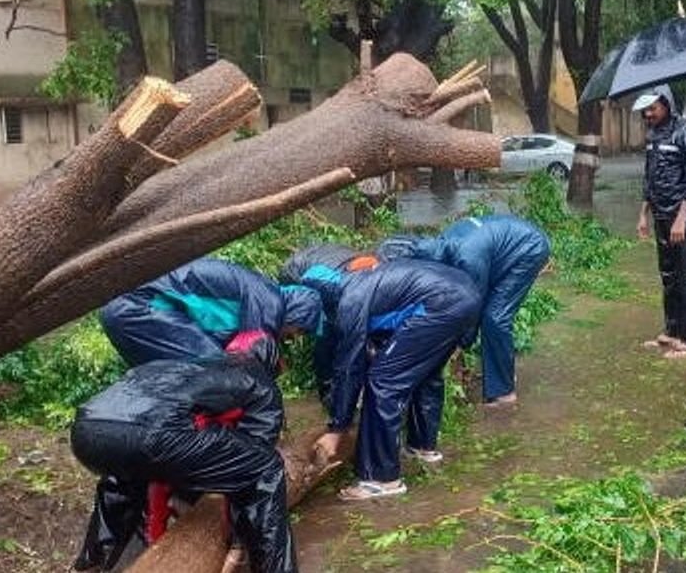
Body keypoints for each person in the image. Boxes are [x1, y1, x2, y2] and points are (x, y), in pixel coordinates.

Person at [70, 336, 295, 572]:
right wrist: (239, 543)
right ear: (271, 361)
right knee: (267, 470)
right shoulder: (259, 379)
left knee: (123, 475)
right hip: (154, 434)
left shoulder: (189, 363)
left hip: (85, 430)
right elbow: (249, 472)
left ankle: (91, 562)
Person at [281, 245, 482, 501]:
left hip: (440, 302)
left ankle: (381, 479)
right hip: (463, 292)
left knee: (384, 381)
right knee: (424, 372)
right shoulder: (357, 282)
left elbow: (348, 368)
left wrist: (337, 429)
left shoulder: (349, 302)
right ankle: (421, 448)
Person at [377, 215, 550, 406]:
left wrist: (459, 344)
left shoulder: (467, 258)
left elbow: (471, 309)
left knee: (494, 317)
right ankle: (502, 370)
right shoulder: (441, 245)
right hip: (503, 245)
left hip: (529, 248)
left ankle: (504, 394)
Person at [99, 257, 324, 366]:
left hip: (123, 309)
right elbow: (249, 361)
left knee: (168, 383)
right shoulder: (270, 303)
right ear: (297, 312)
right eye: (299, 330)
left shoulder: (261, 294)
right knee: (219, 371)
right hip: (140, 307)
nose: (294, 337)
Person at [632, 84, 686, 359]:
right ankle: (672, 332)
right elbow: (648, 177)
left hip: (683, 217)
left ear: (667, 104)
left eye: (652, 108)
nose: (648, 114)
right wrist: (643, 213)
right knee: (669, 277)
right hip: (661, 215)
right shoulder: (652, 135)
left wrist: (682, 218)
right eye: (645, 110)